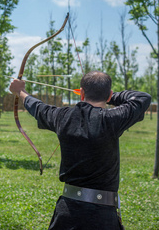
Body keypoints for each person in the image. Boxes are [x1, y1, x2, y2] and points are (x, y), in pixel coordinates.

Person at [9, 71, 151, 230]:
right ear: (109, 94)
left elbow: (37, 107)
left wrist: (20, 91)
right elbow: (142, 98)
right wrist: (111, 96)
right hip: (102, 217)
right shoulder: (113, 119)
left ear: (81, 93)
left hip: (67, 214)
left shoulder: (62, 116)